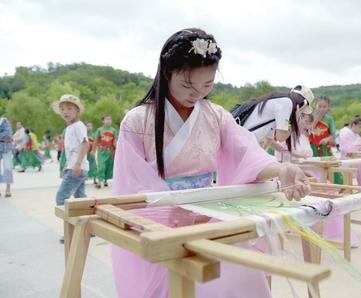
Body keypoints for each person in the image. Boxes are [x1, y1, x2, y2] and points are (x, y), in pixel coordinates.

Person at [110, 28, 311, 298]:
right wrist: (170, 211)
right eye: (189, 85)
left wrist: (282, 169)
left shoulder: (216, 116)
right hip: (161, 220)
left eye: (207, 85)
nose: (197, 94)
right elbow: (131, 182)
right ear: (168, 72)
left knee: (244, 271)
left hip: (207, 216)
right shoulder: (137, 121)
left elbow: (245, 153)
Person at [52, 95, 89, 242]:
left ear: (77, 110)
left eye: (69, 108)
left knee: (61, 197)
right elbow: (70, 150)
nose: (65, 112)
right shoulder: (69, 127)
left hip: (77, 168)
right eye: (62, 109)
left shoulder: (79, 126)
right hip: (74, 167)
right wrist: (66, 167)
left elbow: (85, 144)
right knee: (81, 198)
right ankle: (87, 228)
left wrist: (77, 164)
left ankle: (71, 231)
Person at [241, 85, 314, 157]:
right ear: (303, 103)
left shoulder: (280, 101)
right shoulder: (287, 103)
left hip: (244, 141)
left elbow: (268, 138)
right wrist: (296, 119)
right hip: (245, 143)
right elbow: (281, 137)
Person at [309, 95, 342, 183]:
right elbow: (308, 130)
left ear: (328, 107)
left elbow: (333, 134)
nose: (322, 109)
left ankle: (336, 188)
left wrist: (327, 139)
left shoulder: (329, 119)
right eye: (319, 106)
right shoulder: (310, 117)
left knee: (331, 168)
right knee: (314, 170)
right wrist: (317, 119)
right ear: (315, 105)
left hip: (325, 149)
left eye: (324, 107)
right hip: (312, 149)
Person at [95, 114, 117, 188]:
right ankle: (99, 181)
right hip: (101, 152)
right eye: (107, 119)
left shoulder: (113, 130)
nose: (108, 121)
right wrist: (93, 150)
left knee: (108, 166)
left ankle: (105, 180)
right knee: (101, 166)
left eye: (110, 119)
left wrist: (117, 149)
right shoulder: (99, 130)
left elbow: (115, 140)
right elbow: (96, 140)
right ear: (103, 121)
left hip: (110, 152)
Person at [0, 117, 14, 197]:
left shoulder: (3, 120)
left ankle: (8, 188)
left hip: (6, 147)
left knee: (8, 167)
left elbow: (8, 133)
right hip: (4, 143)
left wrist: (5, 136)